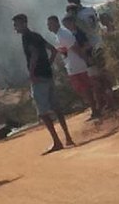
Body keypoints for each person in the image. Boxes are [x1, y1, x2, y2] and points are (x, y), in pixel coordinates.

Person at [13, 13, 74, 154]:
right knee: (56, 108)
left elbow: (34, 54)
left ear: (24, 24)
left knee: (43, 112)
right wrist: (48, 64)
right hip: (47, 74)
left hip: (39, 77)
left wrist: (32, 73)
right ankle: (68, 137)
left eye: (16, 24)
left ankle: (57, 141)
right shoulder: (36, 35)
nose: (15, 27)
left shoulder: (27, 37)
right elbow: (53, 50)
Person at [48, 15, 99, 120]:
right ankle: (95, 107)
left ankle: (96, 109)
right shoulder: (58, 35)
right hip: (72, 66)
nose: (49, 27)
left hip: (77, 65)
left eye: (50, 24)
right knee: (82, 88)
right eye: (48, 25)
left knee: (86, 88)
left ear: (56, 23)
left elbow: (75, 48)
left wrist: (85, 59)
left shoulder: (63, 34)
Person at [66, 0, 112, 111]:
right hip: (99, 42)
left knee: (96, 77)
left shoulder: (77, 17)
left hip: (90, 47)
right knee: (103, 73)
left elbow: (82, 33)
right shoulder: (90, 10)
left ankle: (107, 102)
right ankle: (108, 99)